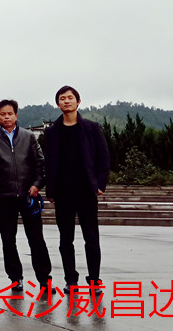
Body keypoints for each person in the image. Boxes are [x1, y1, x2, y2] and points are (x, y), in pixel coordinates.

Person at [44, 85, 109, 295]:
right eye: (62, 98)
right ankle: (71, 280)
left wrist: (100, 185)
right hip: (63, 192)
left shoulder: (91, 128)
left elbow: (104, 158)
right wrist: (50, 190)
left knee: (91, 238)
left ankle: (94, 280)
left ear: (78, 101)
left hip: (86, 190)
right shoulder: (52, 132)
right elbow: (48, 162)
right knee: (66, 239)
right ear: (58, 104)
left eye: (70, 97)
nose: (66, 101)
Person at [0, 99, 52, 293]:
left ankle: (44, 279)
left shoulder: (28, 136)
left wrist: (37, 184)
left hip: (28, 195)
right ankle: (15, 278)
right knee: (8, 240)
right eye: (3, 114)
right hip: (4, 196)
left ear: (16, 115)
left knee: (36, 239)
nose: (6, 117)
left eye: (10, 113)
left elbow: (40, 163)